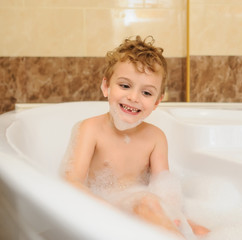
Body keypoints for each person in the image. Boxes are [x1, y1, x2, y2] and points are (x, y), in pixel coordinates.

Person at [61, 36, 209, 238]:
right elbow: (72, 182)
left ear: (157, 101)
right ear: (106, 86)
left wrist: (179, 218)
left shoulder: (156, 138)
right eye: (124, 86)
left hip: (144, 208)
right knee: (146, 202)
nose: (134, 98)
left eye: (147, 93)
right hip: (102, 211)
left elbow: (165, 190)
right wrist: (112, 212)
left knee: (201, 231)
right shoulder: (91, 129)